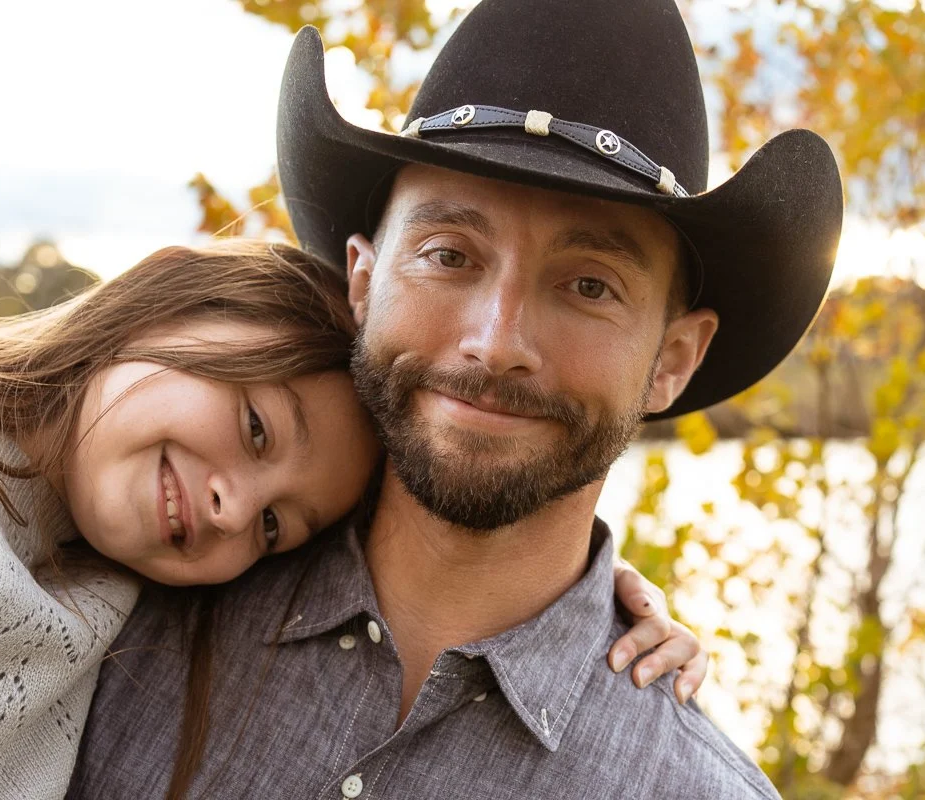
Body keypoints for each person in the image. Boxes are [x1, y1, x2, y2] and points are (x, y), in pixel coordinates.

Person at [67, 0, 843, 798]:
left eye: (588, 284)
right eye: (449, 255)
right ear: (364, 283)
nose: (497, 341)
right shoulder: (111, 606)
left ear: (672, 360)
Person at [0, 240, 688, 798]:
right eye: (255, 428)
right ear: (174, 298)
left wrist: (573, 605)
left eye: (274, 531)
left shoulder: (109, 601)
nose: (231, 508)